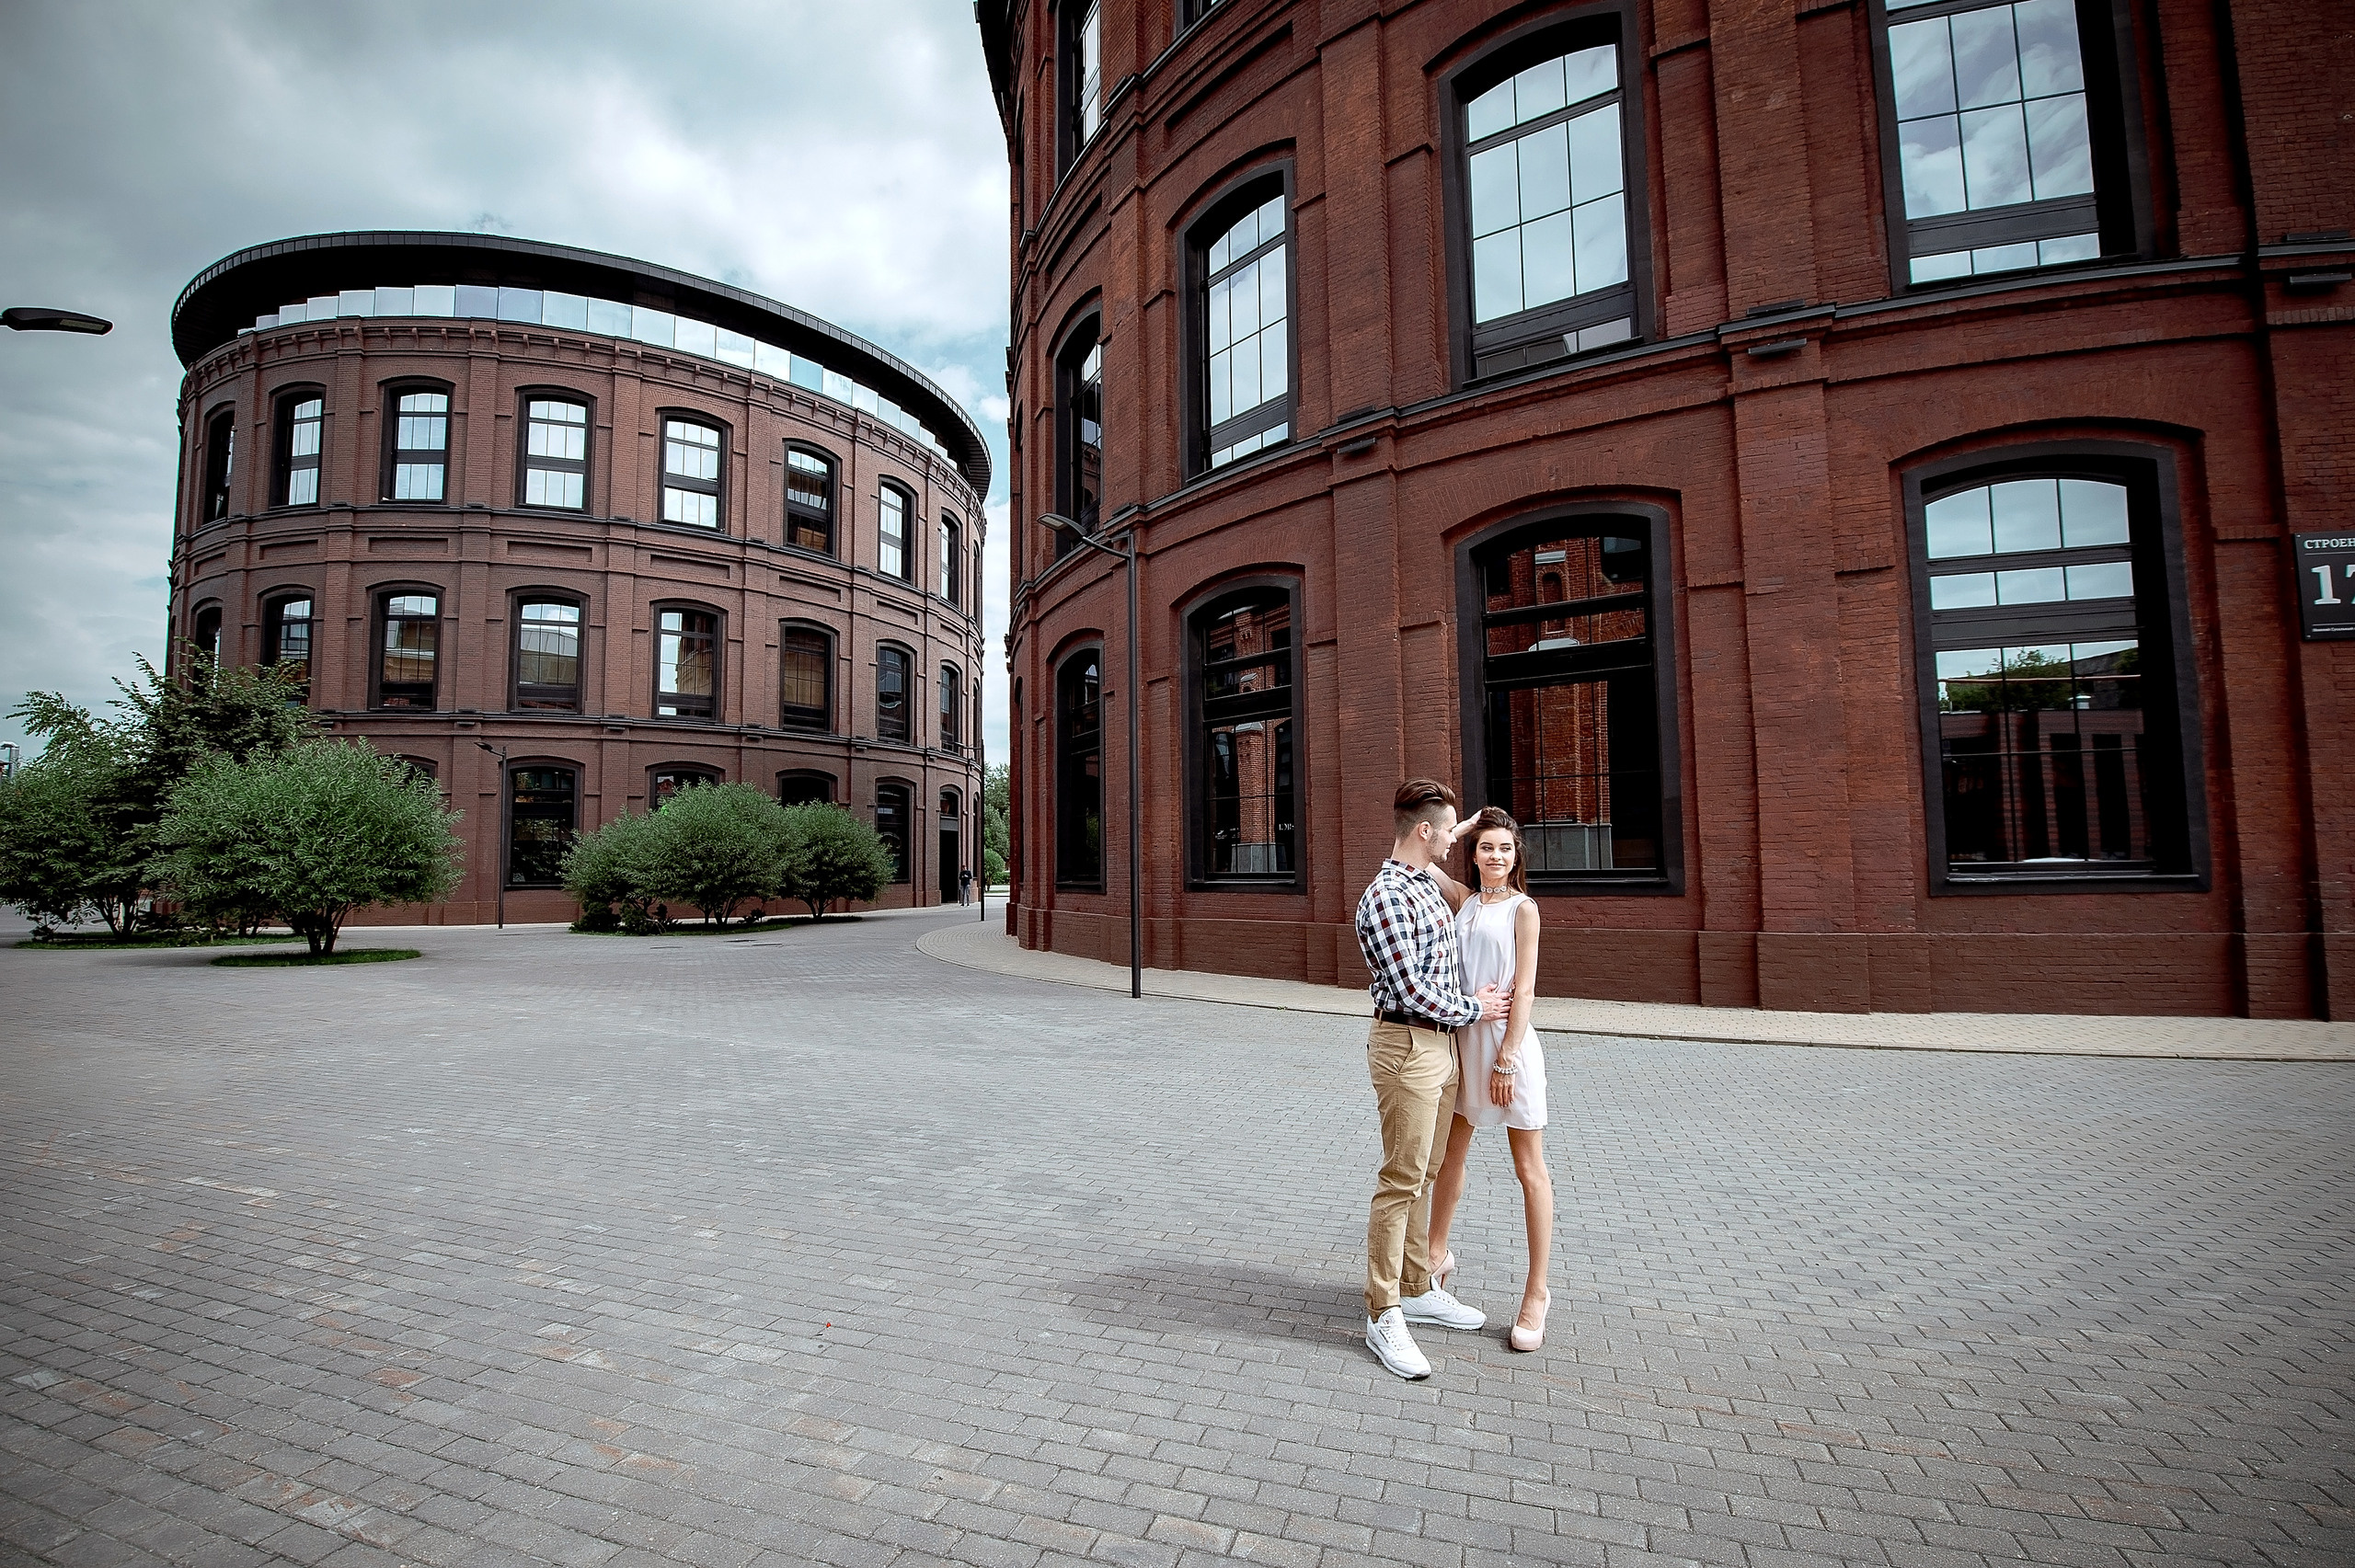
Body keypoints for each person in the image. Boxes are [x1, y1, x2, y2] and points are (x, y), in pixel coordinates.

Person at [1351, 779, 1512, 1380]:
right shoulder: (1387, 896)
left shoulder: (1421, 879)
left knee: (1427, 1171)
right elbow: (1415, 988)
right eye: (1446, 832)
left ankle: (1416, 1286)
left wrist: (1460, 826)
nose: (1455, 841)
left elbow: (1462, 885)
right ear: (1423, 831)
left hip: (1440, 1048)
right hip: (1408, 1044)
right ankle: (1382, 1310)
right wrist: (1478, 1008)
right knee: (1400, 1179)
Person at [1424, 807, 1553, 1352]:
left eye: (1504, 847)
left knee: (1529, 1168)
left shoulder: (1525, 910)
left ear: (1517, 854)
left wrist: (1507, 1058)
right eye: (1485, 847)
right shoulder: (1462, 901)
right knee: (1451, 1157)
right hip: (1462, 1041)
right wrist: (1459, 827)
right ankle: (1435, 1257)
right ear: (1473, 855)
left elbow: (1524, 990)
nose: (1495, 856)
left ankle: (1536, 1292)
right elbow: (1413, 857)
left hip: (1509, 1048)